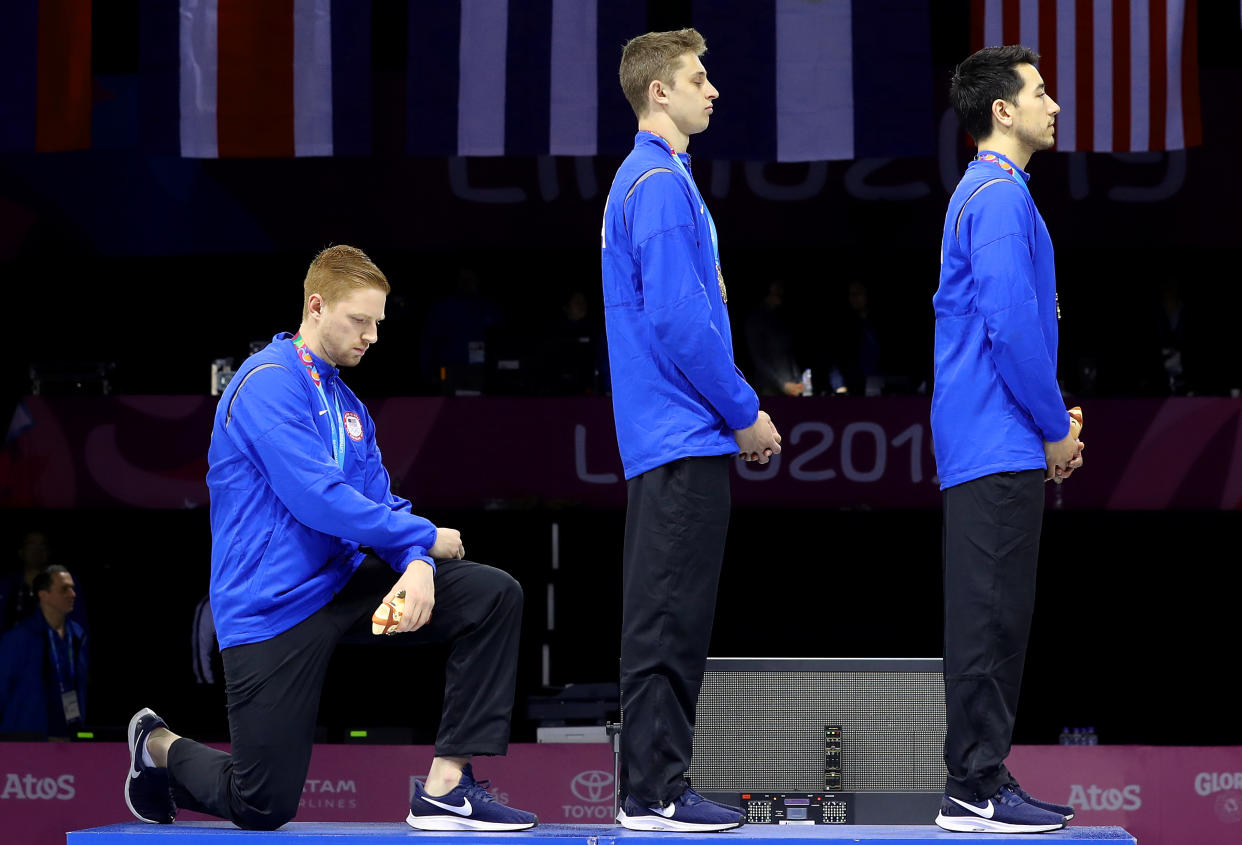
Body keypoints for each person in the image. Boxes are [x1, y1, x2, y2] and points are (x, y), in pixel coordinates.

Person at [124, 245, 536, 832]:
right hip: (271, 608)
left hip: (342, 585)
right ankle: (158, 746)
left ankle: (448, 787)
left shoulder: (348, 406)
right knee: (261, 804)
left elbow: (379, 502)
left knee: (492, 595)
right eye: (360, 320)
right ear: (316, 307)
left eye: (378, 323)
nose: (372, 336)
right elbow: (317, 500)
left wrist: (416, 561)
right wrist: (425, 537)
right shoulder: (265, 384)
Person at [600, 28, 781, 833]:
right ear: (659, 92)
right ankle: (654, 791)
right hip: (683, 433)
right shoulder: (658, 185)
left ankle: (652, 785)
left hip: (672, 435)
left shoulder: (658, 180)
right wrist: (745, 411)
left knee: (666, 614)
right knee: (669, 618)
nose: (713, 91)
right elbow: (680, 319)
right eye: (697, 78)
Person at [931, 46, 1084, 834]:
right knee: (989, 619)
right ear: (1001, 110)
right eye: (1040, 91)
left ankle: (980, 775)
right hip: (995, 442)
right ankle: (974, 786)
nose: (1053, 105)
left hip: (1001, 438)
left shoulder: (999, 193)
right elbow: (1012, 326)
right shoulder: (993, 194)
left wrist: (1048, 419)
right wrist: (1055, 425)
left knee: (1000, 618)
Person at [0, 565, 88, 738]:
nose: (72, 594)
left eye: (72, 588)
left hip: (70, 737)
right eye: (64, 589)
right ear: (43, 594)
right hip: (28, 740)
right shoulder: (18, 638)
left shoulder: (78, 635)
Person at [744, 280, 805, 397]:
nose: (780, 292)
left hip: (792, 386)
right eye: (776, 290)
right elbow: (758, 359)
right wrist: (783, 385)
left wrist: (798, 380)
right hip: (769, 389)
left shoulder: (781, 317)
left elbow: (790, 354)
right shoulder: (756, 319)